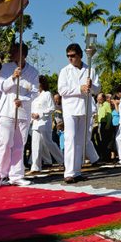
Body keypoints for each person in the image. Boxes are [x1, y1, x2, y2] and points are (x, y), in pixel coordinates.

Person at [0, 41, 39, 184]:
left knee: (19, 144)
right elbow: (2, 87)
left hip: (23, 111)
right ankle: (2, 174)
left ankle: (16, 175)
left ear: (23, 54)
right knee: (5, 142)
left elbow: (34, 93)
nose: (11, 54)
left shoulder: (33, 72)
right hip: (7, 111)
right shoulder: (6, 68)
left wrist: (22, 99)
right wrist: (13, 77)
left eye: (14, 51)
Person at [58, 43, 99, 183]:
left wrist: (91, 86)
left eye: (73, 56)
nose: (70, 58)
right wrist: (79, 88)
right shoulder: (64, 71)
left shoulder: (90, 70)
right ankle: (68, 172)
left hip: (85, 108)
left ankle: (77, 171)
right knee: (70, 139)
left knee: (81, 141)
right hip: (70, 110)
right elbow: (61, 90)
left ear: (80, 55)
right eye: (68, 56)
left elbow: (97, 90)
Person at [29, 76, 62, 173]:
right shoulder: (34, 96)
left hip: (45, 122)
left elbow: (51, 108)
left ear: (41, 83)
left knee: (49, 143)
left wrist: (40, 114)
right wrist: (32, 117)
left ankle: (62, 161)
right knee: (35, 144)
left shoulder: (47, 94)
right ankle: (35, 167)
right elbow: (32, 110)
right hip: (35, 124)